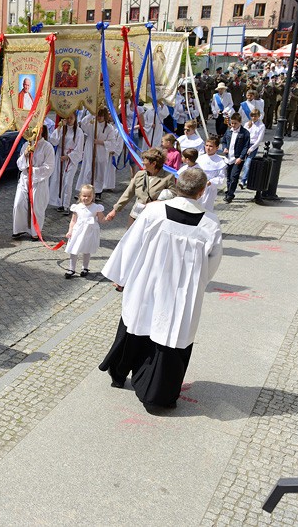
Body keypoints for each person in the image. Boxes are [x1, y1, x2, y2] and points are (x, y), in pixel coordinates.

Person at [98, 167, 223, 411]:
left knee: (137, 323)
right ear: (202, 191)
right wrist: (197, 284)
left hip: (147, 281)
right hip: (181, 291)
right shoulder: (209, 224)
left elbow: (130, 243)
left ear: (177, 184)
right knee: (170, 333)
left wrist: (121, 276)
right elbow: (212, 262)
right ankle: (158, 393)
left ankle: (120, 372)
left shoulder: (153, 211)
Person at [105, 148, 175, 226]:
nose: (142, 162)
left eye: (145, 160)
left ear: (153, 163)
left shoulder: (168, 177)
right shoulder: (139, 174)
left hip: (154, 217)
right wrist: (115, 210)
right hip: (136, 214)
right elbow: (128, 193)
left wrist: (155, 203)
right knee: (131, 237)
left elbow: (174, 197)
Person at [12, 127, 55, 241]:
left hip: (39, 180)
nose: (35, 132)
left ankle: (35, 231)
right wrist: (25, 155)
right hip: (25, 178)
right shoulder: (26, 145)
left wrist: (33, 170)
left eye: (38, 130)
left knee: (37, 207)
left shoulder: (47, 147)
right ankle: (19, 229)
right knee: (19, 203)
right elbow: (19, 164)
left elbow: (49, 167)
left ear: (42, 131)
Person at [64, 184, 105, 279]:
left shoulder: (96, 207)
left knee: (87, 250)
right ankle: (71, 268)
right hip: (77, 231)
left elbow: (102, 219)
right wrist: (70, 231)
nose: (86, 198)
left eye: (89, 196)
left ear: (93, 196)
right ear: (80, 196)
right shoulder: (77, 207)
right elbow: (73, 220)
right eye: (84, 196)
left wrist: (107, 219)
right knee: (74, 249)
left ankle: (85, 268)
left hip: (89, 232)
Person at [48, 112, 85, 213]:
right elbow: (54, 141)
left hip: (71, 159)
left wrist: (68, 156)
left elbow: (79, 148)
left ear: (75, 118)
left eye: (71, 118)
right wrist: (60, 128)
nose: (69, 120)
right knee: (58, 180)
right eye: (67, 118)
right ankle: (59, 202)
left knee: (67, 182)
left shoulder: (79, 132)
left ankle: (66, 205)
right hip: (60, 156)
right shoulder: (61, 129)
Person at [78, 107, 116, 200]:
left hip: (101, 151)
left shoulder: (109, 128)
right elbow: (82, 123)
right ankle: (86, 191)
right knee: (88, 169)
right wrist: (92, 113)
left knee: (100, 171)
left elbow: (112, 142)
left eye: (101, 116)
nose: (99, 118)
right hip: (90, 149)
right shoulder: (92, 125)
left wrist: (101, 142)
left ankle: (98, 191)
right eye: (98, 115)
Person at [219, 112, 250, 203]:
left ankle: (230, 194)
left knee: (234, 177)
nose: (233, 125)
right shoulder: (229, 131)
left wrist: (240, 157)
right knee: (228, 177)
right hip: (229, 158)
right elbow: (224, 141)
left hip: (237, 158)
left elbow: (245, 146)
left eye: (235, 123)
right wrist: (224, 148)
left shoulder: (245, 133)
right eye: (232, 123)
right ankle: (228, 191)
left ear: (240, 122)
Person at [195, 136, 227, 214]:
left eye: (211, 146)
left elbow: (221, 177)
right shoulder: (199, 158)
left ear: (217, 147)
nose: (208, 148)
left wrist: (211, 182)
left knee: (207, 208)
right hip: (198, 187)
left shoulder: (219, 161)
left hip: (209, 189)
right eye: (207, 145)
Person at [239, 109, 265, 189]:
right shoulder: (247, 124)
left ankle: (243, 181)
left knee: (248, 163)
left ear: (258, 116)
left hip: (253, 145)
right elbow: (243, 134)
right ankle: (245, 178)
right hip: (245, 144)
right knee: (241, 162)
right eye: (252, 116)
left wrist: (251, 148)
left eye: (255, 116)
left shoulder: (261, 126)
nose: (254, 117)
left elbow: (259, 139)